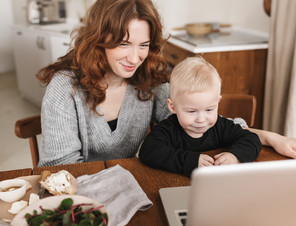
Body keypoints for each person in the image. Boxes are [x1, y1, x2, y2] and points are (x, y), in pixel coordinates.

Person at [37, 0, 296, 167]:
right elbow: (60, 170)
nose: (134, 57)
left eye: (143, 45)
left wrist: (270, 138)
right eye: (123, 43)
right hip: (85, 198)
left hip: (133, 187)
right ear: (98, 40)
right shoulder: (64, 88)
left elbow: (206, 122)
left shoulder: (147, 85)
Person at [139, 57, 262, 177]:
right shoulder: (168, 129)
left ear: (217, 103)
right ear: (173, 107)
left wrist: (235, 156)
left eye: (209, 109)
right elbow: (148, 151)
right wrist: (190, 161)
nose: (201, 119)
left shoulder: (221, 126)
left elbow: (251, 139)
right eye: (192, 111)